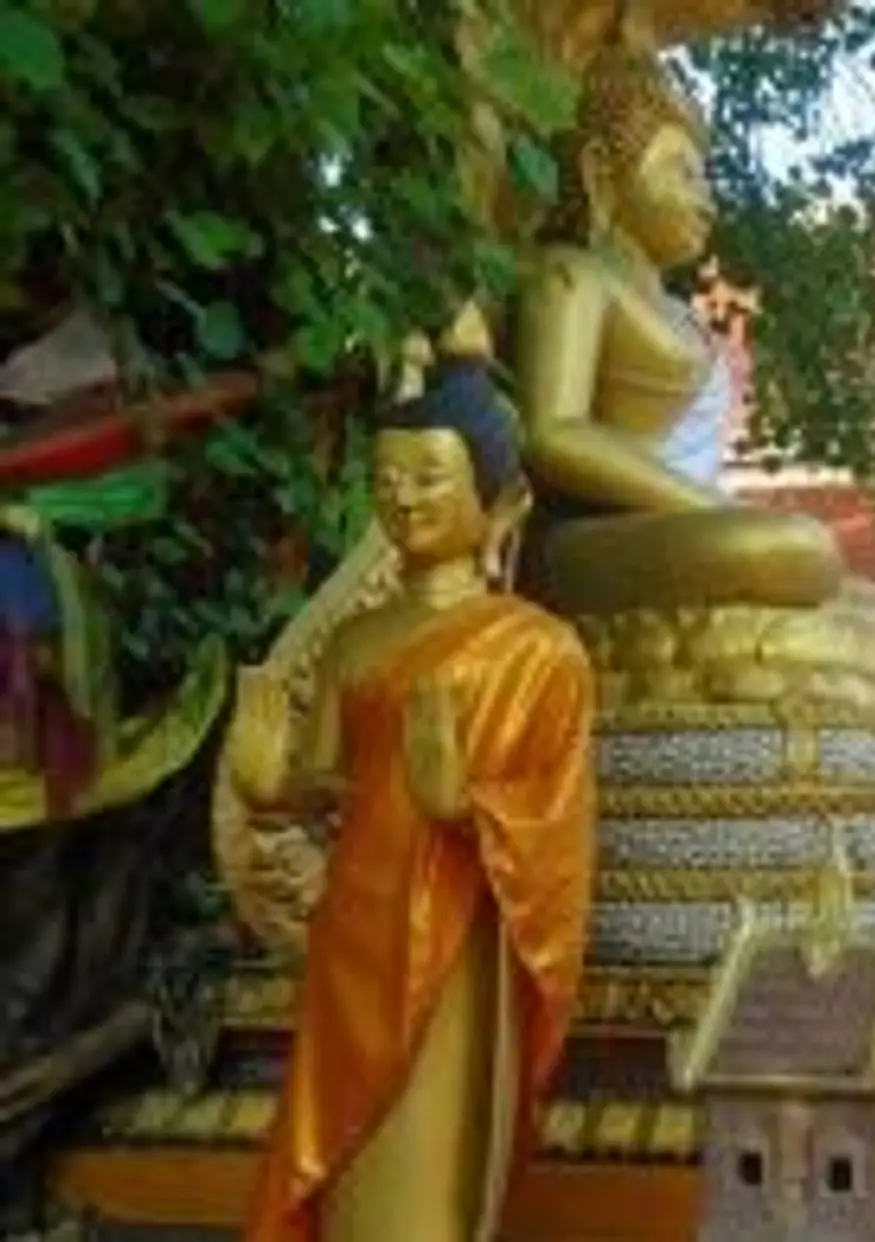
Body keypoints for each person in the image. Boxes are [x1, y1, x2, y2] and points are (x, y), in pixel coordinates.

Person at [226, 353, 596, 1242]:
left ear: (499, 499)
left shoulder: (539, 650)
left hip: (455, 937)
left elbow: (560, 828)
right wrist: (272, 785)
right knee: (342, 1153)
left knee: (421, 1164)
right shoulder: (356, 640)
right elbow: (330, 785)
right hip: (354, 929)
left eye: (430, 476)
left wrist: (463, 805)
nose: (405, 497)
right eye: (386, 480)